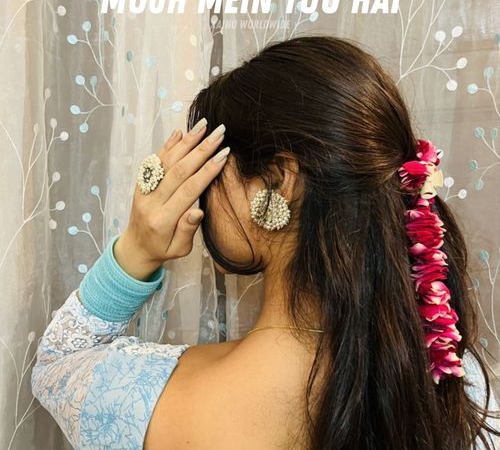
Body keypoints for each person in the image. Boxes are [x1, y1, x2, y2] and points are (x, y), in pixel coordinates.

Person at [31, 35, 500, 449]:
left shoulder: (143, 400)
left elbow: (58, 362)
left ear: (277, 181)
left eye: (212, 170)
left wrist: (137, 248)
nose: (201, 195)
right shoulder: (455, 391)